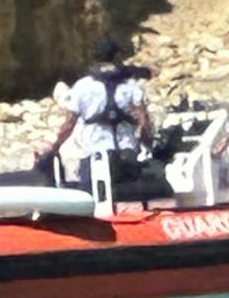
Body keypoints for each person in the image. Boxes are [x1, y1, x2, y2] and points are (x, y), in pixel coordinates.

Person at [35, 37, 154, 196]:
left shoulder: (83, 86)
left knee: (92, 192)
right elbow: (145, 122)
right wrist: (146, 143)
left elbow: (69, 125)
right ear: (117, 56)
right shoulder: (131, 86)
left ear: (94, 57)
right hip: (126, 152)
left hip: (94, 154)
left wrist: (54, 147)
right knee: (129, 194)